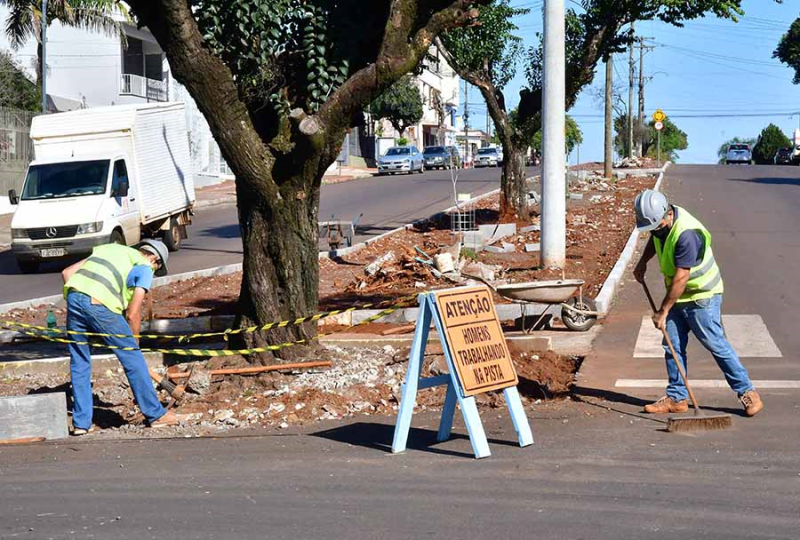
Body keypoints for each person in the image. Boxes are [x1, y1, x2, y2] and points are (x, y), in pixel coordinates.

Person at [632, 190, 763, 417]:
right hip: (677, 294)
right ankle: (676, 397)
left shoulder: (687, 234)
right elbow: (656, 239)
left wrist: (663, 311)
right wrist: (643, 261)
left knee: (715, 344)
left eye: (656, 225)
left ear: (667, 214)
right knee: (671, 345)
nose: (654, 230)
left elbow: (682, 277)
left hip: (702, 296)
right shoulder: (661, 225)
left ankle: (747, 392)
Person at [61, 239, 186, 435]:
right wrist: (133, 343)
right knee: (133, 358)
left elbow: (67, 273)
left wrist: (85, 310)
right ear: (154, 258)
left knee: (79, 361)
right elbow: (133, 313)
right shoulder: (144, 266)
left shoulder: (110, 249)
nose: (153, 271)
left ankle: (81, 424)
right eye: (157, 267)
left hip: (75, 298)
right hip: (100, 305)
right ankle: (156, 415)